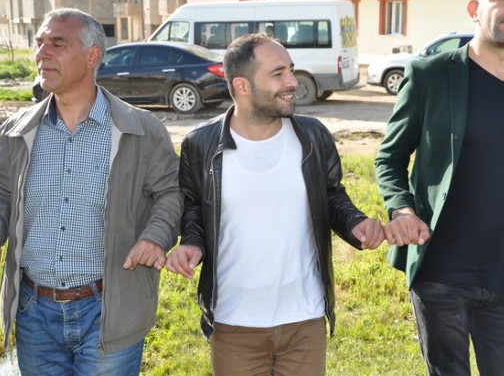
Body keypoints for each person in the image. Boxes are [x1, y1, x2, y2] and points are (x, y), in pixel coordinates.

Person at [375, 0, 504, 375]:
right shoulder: (429, 76)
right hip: (441, 272)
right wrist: (402, 209)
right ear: (474, 8)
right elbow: (389, 157)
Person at [0, 8, 181, 375]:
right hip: (34, 311)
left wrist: (155, 237)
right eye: (39, 43)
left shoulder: (141, 130)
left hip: (109, 307)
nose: (42, 53)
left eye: (57, 43)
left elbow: (171, 192)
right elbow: (2, 194)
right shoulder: (15, 131)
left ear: (92, 56)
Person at [165, 33, 385, 375]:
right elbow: (194, 206)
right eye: (278, 73)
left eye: (291, 70)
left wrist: (356, 222)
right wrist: (192, 243)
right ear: (242, 86)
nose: (292, 82)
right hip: (234, 322)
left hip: (304, 320)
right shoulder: (201, 144)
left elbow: (331, 195)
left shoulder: (313, 136)